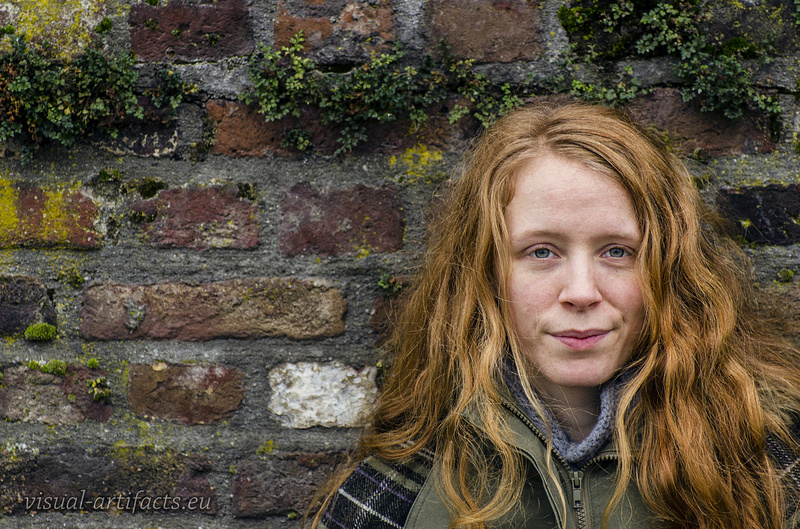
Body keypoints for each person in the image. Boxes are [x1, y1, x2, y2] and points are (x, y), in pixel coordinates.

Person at [308, 103, 800, 529]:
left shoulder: (764, 461)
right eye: (542, 252)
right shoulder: (400, 489)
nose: (581, 292)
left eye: (618, 252)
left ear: (669, 267)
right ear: (485, 272)